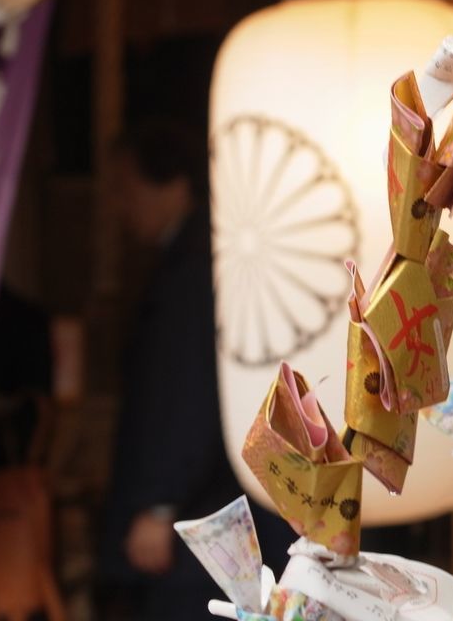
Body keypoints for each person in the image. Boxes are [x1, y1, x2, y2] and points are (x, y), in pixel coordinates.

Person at [99, 120, 289, 621]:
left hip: (202, 505)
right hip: (214, 500)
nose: (120, 206)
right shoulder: (198, 255)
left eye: (126, 187)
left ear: (172, 183)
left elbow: (189, 393)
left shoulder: (194, 267)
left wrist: (159, 502)